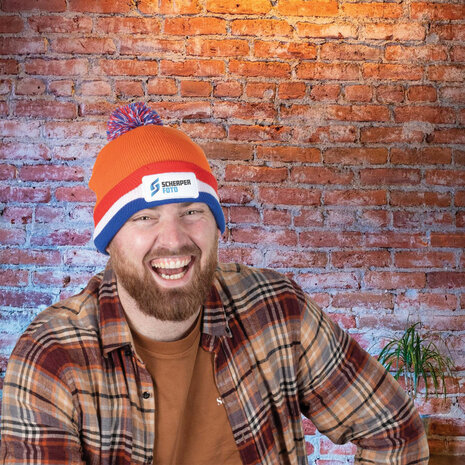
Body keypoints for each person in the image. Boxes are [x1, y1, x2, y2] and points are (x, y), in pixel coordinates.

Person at [0, 102, 429, 465]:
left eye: (192, 211)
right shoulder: (52, 357)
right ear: (109, 240)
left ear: (216, 224)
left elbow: (394, 430)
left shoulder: (278, 309)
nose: (174, 240)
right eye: (144, 217)